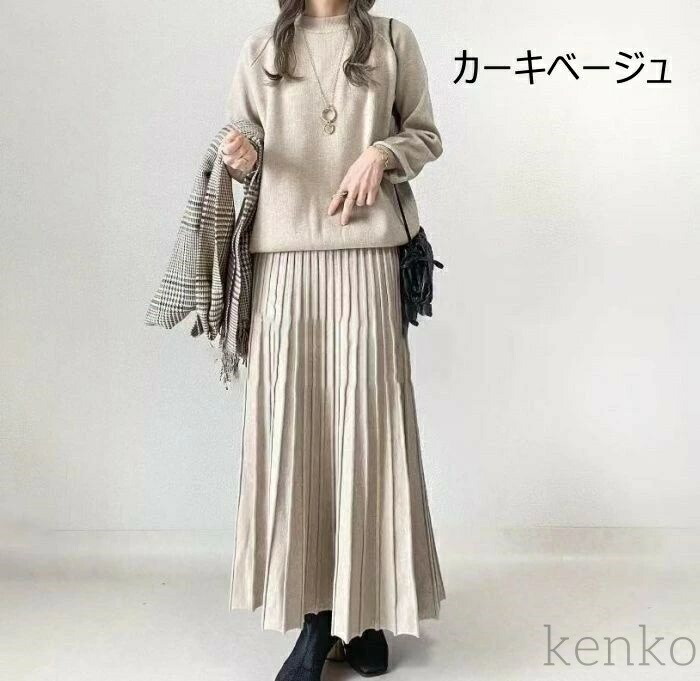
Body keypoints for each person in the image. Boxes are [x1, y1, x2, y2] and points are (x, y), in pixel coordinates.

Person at [221, 1, 445, 678]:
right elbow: (243, 151)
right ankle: (318, 617)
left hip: (367, 257)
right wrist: (242, 157)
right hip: (286, 263)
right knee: (298, 435)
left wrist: (382, 152)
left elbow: (425, 135)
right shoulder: (264, 47)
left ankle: (365, 608)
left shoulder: (393, 39)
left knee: (370, 433)